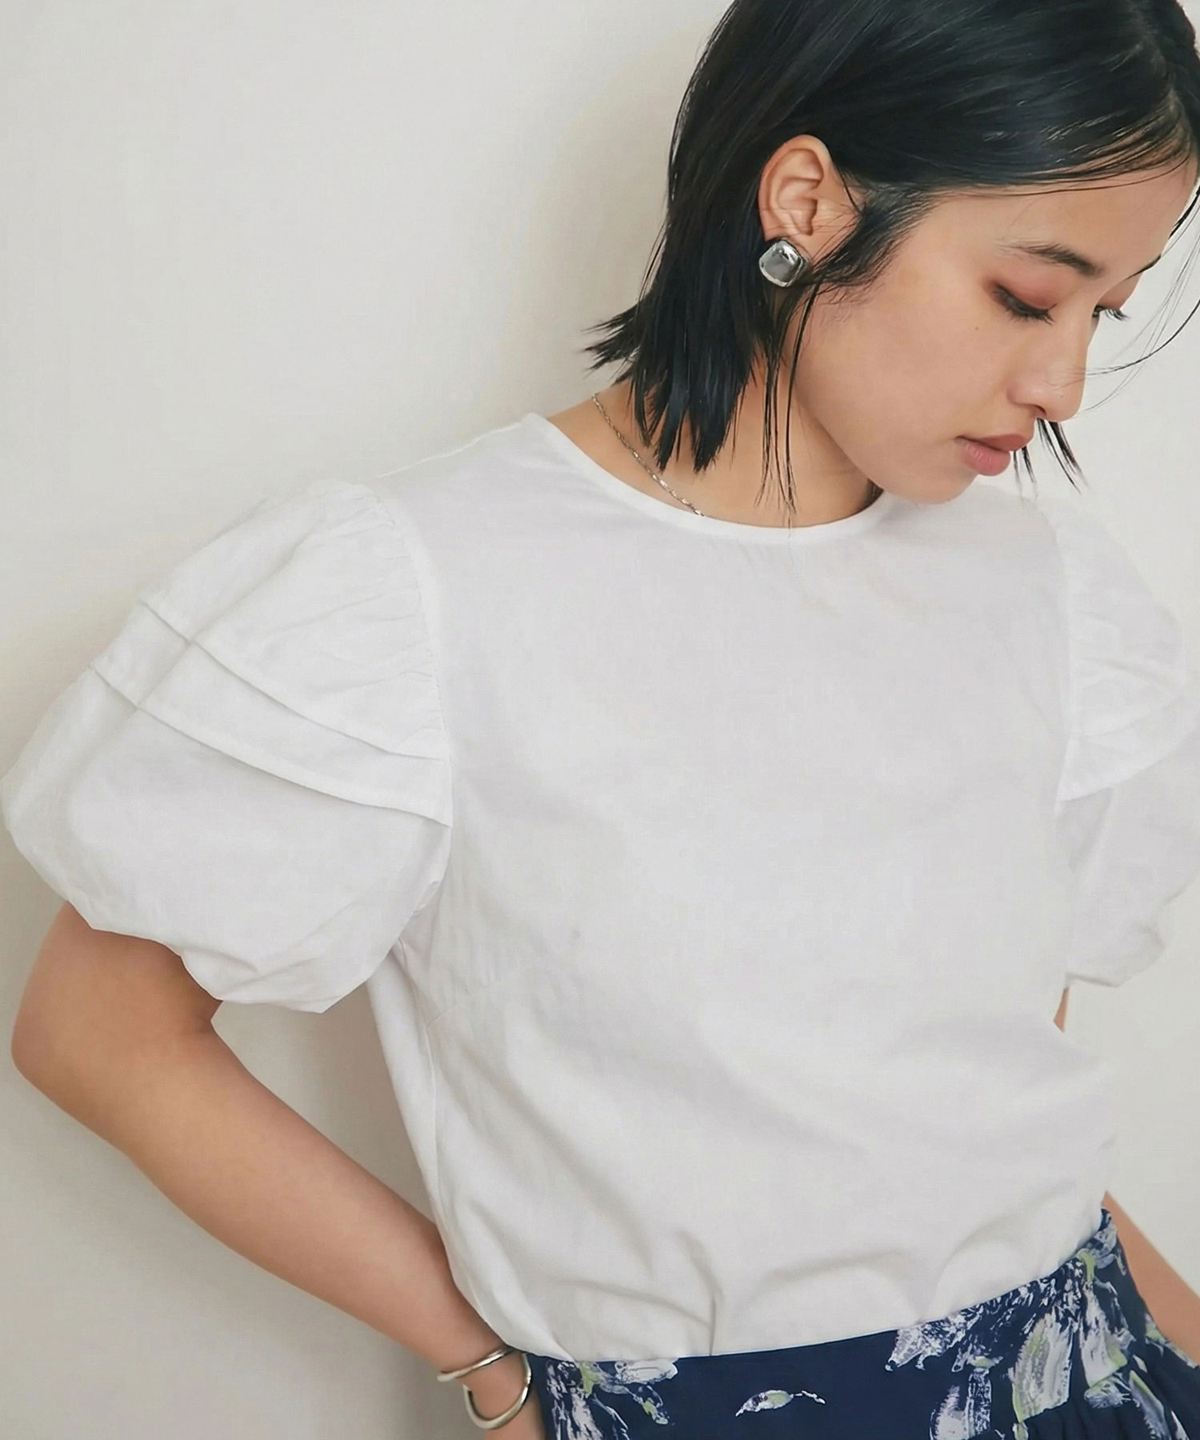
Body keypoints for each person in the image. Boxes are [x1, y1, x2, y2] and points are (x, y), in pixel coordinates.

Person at [6, 1, 1200, 1435]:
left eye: (1102, 315)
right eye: (1026, 295)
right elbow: (98, 1036)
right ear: (808, 202)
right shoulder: (420, 591)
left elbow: (990, 1107)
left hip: (1103, 1368)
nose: (1062, 386)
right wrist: (489, 1367)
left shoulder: (1041, 582)